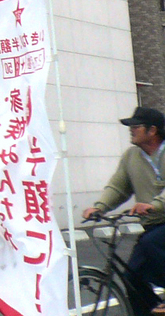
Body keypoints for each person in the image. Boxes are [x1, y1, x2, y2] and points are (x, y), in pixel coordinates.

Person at [83, 107, 165, 316]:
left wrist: (154, 204)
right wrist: (100, 206)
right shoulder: (131, 156)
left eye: (136, 126)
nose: (131, 129)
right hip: (152, 224)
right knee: (131, 277)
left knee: (151, 243)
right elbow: (118, 187)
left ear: (153, 130)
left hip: (160, 222)